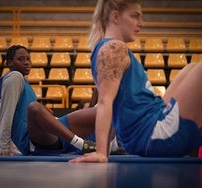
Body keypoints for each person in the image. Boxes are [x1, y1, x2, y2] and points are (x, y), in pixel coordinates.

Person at [70, 0, 202, 163]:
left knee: (191, 68)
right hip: (154, 134)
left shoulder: (109, 48)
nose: (141, 23)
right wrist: (101, 152)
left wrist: (105, 151)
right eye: (135, 16)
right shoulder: (113, 49)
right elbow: (104, 102)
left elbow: (112, 106)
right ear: (115, 16)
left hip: (151, 129)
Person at [0, 45, 96, 156]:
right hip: (32, 141)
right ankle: (81, 144)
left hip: (50, 133)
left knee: (102, 111)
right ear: (9, 63)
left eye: (28, 58)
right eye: (20, 59)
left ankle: (102, 148)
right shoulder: (14, 77)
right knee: (34, 108)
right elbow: (5, 114)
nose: (27, 62)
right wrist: (2, 147)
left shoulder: (23, 81)